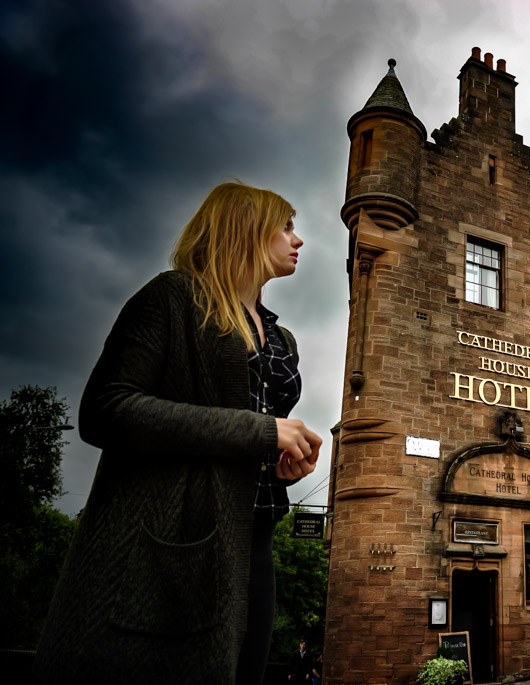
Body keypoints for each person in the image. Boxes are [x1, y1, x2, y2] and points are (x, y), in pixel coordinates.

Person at [33, 182, 322, 685]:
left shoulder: (282, 338)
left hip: (253, 542)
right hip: (170, 541)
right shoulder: (173, 297)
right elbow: (106, 409)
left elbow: (250, 442)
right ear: (246, 229)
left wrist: (283, 468)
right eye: (286, 225)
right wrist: (259, 430)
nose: (297, 240)